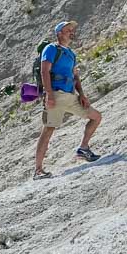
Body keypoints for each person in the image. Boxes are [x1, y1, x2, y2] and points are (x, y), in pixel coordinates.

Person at [34, 19, 102, 179]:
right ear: (59, 34)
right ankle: (38, 170)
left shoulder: (71, 54)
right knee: (48, 131)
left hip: (71, 95)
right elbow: (45, 72)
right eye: (67, 30)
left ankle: (83, 148)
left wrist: (82, 95)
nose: (71, 32)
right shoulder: (51, 49)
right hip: (56, 95)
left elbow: (75, 76)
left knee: (96, 117)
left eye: (72, 30)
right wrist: (49, 95)